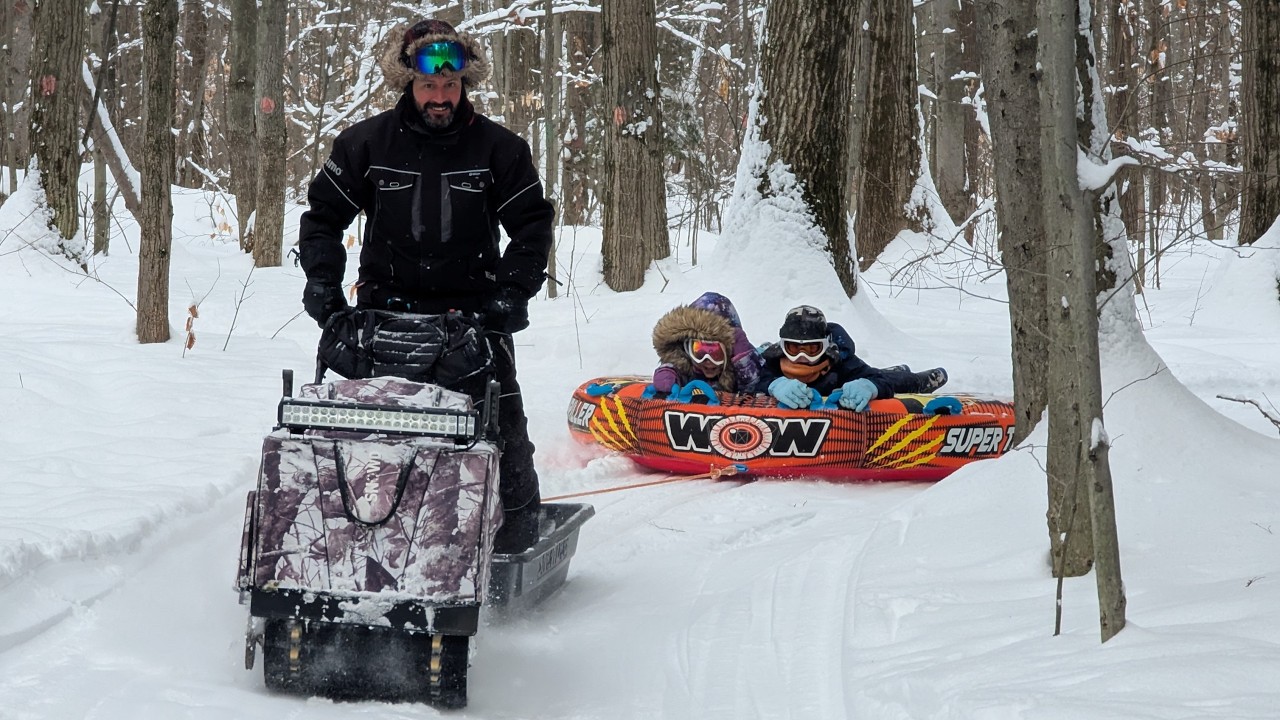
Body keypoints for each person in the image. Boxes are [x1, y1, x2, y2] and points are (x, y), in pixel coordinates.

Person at [296, 17, 552, 553]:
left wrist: (512, 293)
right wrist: (323, 286)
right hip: (379, 318)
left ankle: (513, 549)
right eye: (430, 85)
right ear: (408, 82)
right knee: (359, 435)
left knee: (501, 433)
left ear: (465, 84)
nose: (441, 97)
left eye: (451, 85)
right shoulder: (364, 143)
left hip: (473, 321)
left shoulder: (499, 149)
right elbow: (322, 216)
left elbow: (531, 227)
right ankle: (343, 539)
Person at [759, 305, 948, 411]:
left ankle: (921, 380)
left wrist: (870, 386)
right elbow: (751, 382)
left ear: (824, 347)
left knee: (889, 379)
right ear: (783, 346)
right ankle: (895, 370)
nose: (801, 357)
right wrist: (773, 385)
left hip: (847, 381)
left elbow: (879, 380)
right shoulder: (772, 361)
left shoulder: (839, 362)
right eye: (793, 348)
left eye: (811, 349)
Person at [651, 292, 765, 397]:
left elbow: (758, 384)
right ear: (687, 349)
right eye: (700, 352)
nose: (708, 361)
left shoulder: (742, 360)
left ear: (729, 349)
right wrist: (668, 372)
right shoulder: (687, 364)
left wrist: (743, 361)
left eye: (716, 353)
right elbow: (678, 367)